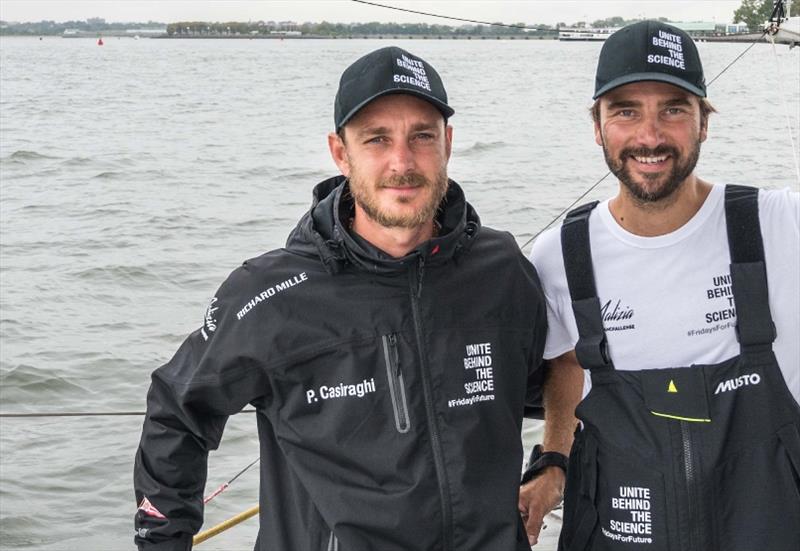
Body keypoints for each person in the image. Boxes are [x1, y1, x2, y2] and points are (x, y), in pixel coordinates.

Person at [133, 46, 560, 551]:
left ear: (447, 143)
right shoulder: (270, 293)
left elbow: (550, 375)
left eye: (421, 136)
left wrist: (554, 463)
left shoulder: (502, 268)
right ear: (341, 152)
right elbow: (178, 412)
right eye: (377, 139)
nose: (401, 161)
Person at [524, 20, 800, 550]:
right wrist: (554, 459)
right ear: (598, 126)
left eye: (673, 108)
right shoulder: (559, 254)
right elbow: (565, 359)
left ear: (703, 123)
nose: (649, 137)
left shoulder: (779, 225)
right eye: (626, 110)